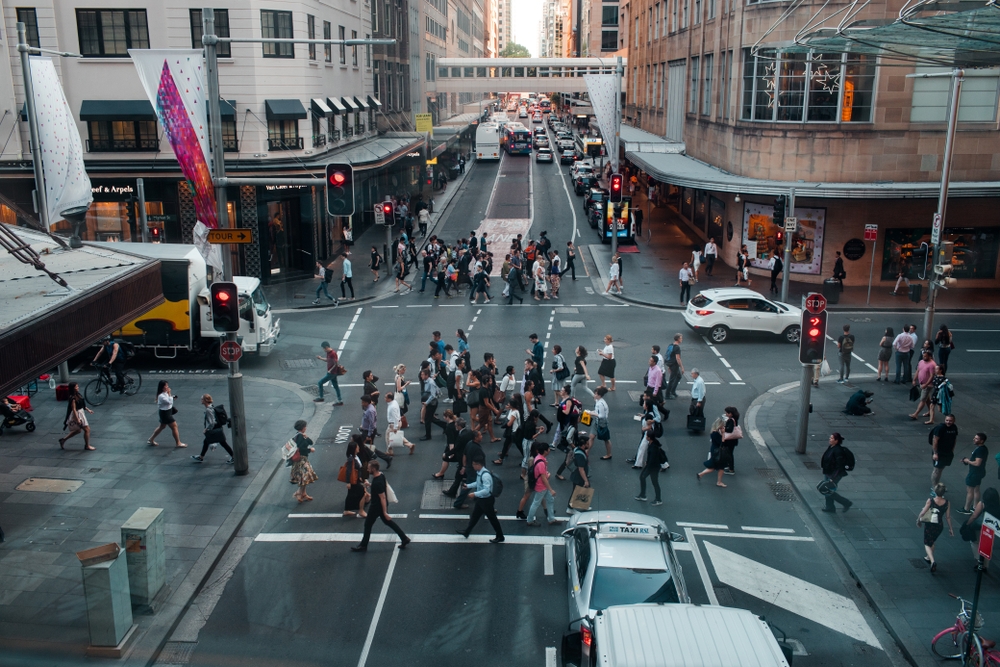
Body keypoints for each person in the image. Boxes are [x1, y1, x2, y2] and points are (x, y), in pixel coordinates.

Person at [351, 460, 411, 551]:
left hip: (376, 507)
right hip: (380, 506)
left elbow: (382, 497)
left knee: (368, 524)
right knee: (388, 522)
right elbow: (380, 490)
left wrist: (384, 512)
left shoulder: (377, 482)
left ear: (373, 469)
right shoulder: (381, 476)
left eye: (369, 468)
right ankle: (404, 538)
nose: (368, 470)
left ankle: (363, 545)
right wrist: (370, 485)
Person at [456, 456, 505, 543]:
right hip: (482, 499)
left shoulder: (485, 475)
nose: (473, 466)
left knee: (492, 518)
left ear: (478, 465)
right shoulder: (480, 473)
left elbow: (487, 490)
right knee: (475, 516)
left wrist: (474, 494)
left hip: (486, 500)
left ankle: (500, 536)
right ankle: (467, 532)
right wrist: (468, 486)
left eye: (474, 465)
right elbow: (478, 483)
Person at [916, 483, 953, 573]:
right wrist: (950, 528)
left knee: (927, 543)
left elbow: (923, 512)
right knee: (932, 541)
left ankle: (932, 561)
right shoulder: (947, 503)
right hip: (939, 525)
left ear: (935, 491)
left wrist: (918, 521)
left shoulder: (931, 501)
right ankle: (928, 557)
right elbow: (948, 517)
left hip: (930, 524)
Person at [191, 394, 234, 463]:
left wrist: (207, 429)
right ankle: (201, 457)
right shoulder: (212, 407)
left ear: (205, 401)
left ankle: (233, 456)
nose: (201, 400)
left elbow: (212, 422)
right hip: (217, 428)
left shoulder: (208, 410)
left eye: (202, 399)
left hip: (215, 429)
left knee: (223, 443)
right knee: (207, 442)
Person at [962, 488, 999, 568]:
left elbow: (974, 516)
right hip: (992, 528)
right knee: (987, 543)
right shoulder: (997, 505)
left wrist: (968, 524)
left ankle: (979, 561)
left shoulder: (982, 504)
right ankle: (985, 564)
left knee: (975, 542)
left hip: (980, 526)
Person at [525, 443, 559, 526]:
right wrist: (551, 489)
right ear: (545, 451)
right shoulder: (541, 463)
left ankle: (551, 519)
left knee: (550, 500)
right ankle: (530, 520)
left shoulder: (539, 458)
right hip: (541, 486)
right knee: (536, 503)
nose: (549, 450)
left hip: (541, 485)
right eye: (548, 449)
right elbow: (544, 478)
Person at [820, 432, 854, 513]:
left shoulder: (838, 451)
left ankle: (846, 503)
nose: (830, 439)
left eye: (832, 438)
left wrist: (833, 478)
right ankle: (830, 507)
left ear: (836, 441)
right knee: (827, 490)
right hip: (828, 472)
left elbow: (839, 466)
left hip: (834, 475)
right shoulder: (831, 447)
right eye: (830, 438)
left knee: (828, 491)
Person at [148, 381, 186, 448]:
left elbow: (169, 399)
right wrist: (170, 394)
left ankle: (151, 439)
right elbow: (169, 402)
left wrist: (171, 395)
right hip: (165, 414)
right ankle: (178, 443)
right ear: (162, 387)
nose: (167, 387)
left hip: (166, 412)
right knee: (174, 426)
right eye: (166, 386)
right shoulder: (161, 396)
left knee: (162, 426)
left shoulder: (163, 394)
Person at [59, 382, 95, 451]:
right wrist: (77, 419)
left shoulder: (78, 395)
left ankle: (63, 440)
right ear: (73, 388)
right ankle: (87, 445)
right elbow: (74, 409)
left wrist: (88, 409)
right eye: (76, 387)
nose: (78, 387)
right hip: (78, 414)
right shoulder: (73, 398)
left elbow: (82, 404)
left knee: (78, 430)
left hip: (80, 412)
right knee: (87, 429)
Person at [959, 433, 989, 514]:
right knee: (976, 489)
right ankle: (975, 507)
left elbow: (977, 463)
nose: (974, 439)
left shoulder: (979, 450)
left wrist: (967, 461)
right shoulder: (983, 448)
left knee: (970, 490)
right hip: (980, 472)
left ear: (981, 441)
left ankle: (967, 508)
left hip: (974, 473)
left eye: (976, 438)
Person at [290, 419, 318, 503]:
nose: (306, 428)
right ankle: (298, 492)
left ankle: (303, 493)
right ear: (303, 428)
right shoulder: (300, 437)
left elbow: (310, 442)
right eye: (305, 426)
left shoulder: (299, 435)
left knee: (306, 476)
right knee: (305, 476)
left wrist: (306, 436)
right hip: (301, 460)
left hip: (302, 459)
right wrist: (310, 450)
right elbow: (301, 448)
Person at [697, 419, 731, 487]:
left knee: (714, 465)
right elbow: (722, 443)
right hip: (718, 450)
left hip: (714, 449)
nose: (723, 428)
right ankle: (719, 482)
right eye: (722, 426)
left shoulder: (713, 432)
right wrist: (723, 433)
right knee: (721, 467)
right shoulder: (716, 434)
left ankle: (701, 474)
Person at [636, 431, 665, 506]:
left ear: (649, 438)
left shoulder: (653, 447)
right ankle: (644, 495)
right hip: (653, 466)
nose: (646, 437)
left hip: (653, 467)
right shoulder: (654, 444)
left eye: (647, 436)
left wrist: (647, 465)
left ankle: (657, 499)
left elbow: (652, 459)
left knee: (652, 481)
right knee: (645, 478)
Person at [343, 439, 369, 518]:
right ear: (354, 449)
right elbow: (349, 471)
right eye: (357, 447)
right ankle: (361, 510)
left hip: (356, 479)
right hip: (353, 480)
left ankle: (346, 510)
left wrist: (360, 477)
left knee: (350, 494)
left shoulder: (355, 456)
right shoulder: (351, 459)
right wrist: (348, 482)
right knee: (362, 493)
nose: (358, 448)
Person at [930, 415, 958, 487]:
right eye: (947, 420)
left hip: (947, 452)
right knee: (937, 469)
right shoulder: (940, 428)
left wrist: (952, 450)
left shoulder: (954, 428)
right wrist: (935, 453)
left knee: (941, 469)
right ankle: (934, 487)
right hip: (940, 452)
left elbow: (954, 439)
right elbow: (935, 440)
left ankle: (937, 484)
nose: (948, 422)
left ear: (954, 421)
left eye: (950, 421)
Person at [908, 350, 937, 421]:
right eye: (923, 356)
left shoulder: (932, 365)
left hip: (927, 385)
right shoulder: (921, 362)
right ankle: (930, 411)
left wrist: (926, 384)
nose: (924, 357)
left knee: (923, 399)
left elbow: (932, 376)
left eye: (925, 356)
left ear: (930, 356)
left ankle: (916, 414)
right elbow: (918, 371)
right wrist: (914, 379)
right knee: (927, 399)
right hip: (921, 383)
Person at [567, 437, 592, 514]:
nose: (589, 444)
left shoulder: (577, 449)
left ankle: (583, 505)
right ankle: (570, 508)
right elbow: (581, 469)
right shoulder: (580, 455)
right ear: (583, 445)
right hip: (579, 477)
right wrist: (586, 480)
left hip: (577, 475)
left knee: (583, 489)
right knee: (576, 492)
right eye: (587, 443)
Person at [589, 386, 613, 460]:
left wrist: (591, 413)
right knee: (591, 436)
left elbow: (601, 416)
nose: (594, 395)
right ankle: (586, 451)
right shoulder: (598, 401)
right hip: (597, 421)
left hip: (602, 422)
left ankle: (609, 454)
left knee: (606, 439)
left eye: (596, 394)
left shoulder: (601, 404)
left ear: (599, 395)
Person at [721, 406, 741, 475]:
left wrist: (724, 429)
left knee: (729, 454)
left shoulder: (731, 420)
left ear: (731, 414)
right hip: (733, 440)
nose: (726, 414)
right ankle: (730, 466)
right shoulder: (735, 419)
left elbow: (730, 430)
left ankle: (731, 469)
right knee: (730, 453)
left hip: (730, 440)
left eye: (727, 413)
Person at [665, 334, 684, 399]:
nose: (682, 339)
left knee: (679, 376)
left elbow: (669, 355)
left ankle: (673, 391)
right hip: (674, 365)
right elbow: (678, 358)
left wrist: (669, 366)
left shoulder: (671, 345)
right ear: (678, 339)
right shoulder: (677, 347)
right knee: (672, 380)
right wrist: (682, 367)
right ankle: (668, 394)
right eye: (681, 338)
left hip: (670, 364)